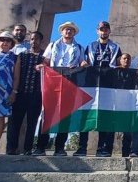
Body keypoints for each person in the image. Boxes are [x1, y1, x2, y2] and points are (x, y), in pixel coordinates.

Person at [43, 21, 88, 156]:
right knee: (48, 114)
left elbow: (81, 61)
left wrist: (84, 63)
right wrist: (41, 65)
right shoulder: (53, 45)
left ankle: (59, 147)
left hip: (70, 83)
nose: (68, 32)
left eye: (71, 30)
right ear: (62, 32)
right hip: (53, 81)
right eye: (66, 29)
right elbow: (46, 60)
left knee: (65, 116)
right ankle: (41, 146)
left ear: (74, 33)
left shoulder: (79, 47)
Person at [86, 21, 122, 157]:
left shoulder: (115, 47)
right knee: (88, 115)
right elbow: (85, 62)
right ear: (97, 31)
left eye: (106, 29)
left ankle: (105, 148)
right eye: (101, 29)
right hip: (92, 85)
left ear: (109, 31)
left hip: (109, 85)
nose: (104, 31)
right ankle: (83, 147)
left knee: (107, 116)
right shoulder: (90, 46)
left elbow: (119, 63)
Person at [6, 31, 44, 156]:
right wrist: (14, 91)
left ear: (41, 41)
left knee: (32, 123)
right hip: (21, 93)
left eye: (37, 39)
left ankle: (28, 148)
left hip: (37, 94)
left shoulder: (45, 57)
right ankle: (11, 148)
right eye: (32, 39)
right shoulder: (22, 55)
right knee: (14, 122)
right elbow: (16, 75)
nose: (34, 41)